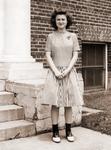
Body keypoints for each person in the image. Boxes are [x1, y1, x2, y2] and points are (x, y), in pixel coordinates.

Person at [42, 10, 84, 143]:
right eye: (58, 19)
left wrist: (67, 70)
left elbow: (75, 55)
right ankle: (55, 132)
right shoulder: (50, 36)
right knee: (55, 104)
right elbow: (48, 54)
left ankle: (68, 131)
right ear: (55, 21)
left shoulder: (72, 36)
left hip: (68, 72)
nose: (60, 21)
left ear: (67, 21)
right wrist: (55, 70)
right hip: (54, 73)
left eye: (63, 19)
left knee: (68, 103)